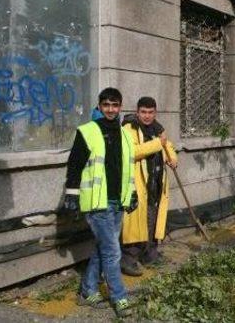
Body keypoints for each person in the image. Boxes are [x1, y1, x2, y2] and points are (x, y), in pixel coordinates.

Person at [63, 87, 137, 318]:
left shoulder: (125, 133)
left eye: (115, 105)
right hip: (97, 203)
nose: (111, 109)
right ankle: (119, 297)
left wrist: (132, 193)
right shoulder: (87, 131)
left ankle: (87, 290)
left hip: (117, 202)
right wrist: (72, 194)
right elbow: (74, 164)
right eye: (106, 105)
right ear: (99, 105)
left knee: (102, 248)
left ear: (120, 106)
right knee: (113, 252)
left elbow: (128, 168)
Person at [120, 97, 178, 276]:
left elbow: (167, 145)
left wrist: (173, 158)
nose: (147, 116)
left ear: (155, 113)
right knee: (136, 225)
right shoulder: (128, 129)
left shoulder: (157, 129)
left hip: (156, 183)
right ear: (137, 112)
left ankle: (150, 256)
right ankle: (128, 260)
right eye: (143, 112)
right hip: (138, 185)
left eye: (150, 112)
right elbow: (132, 152)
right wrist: (157, 144)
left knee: (152, 222)